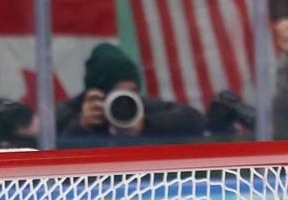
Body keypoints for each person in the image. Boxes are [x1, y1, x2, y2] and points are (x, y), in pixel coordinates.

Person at [54, 42, 203, 143]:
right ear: (99, 93)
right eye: (116, 93)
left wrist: (146, 125)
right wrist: (82, 126)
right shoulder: (68, 112)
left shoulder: (137, 106)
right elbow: (49, 149)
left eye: (132, 91)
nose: (124, 100)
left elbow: (195, 120)